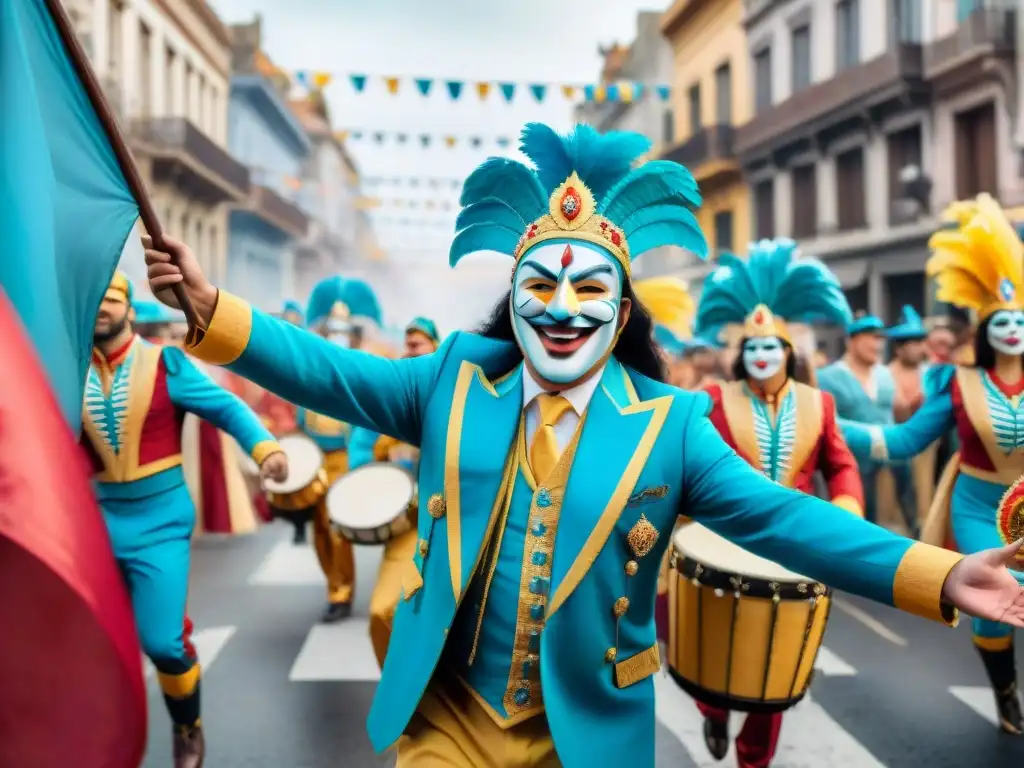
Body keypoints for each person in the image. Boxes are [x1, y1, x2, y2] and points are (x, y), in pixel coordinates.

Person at [144, 124, 1024, 768]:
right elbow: (328, 372)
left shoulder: (670, 423)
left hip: (583, 733)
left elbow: (780, 518)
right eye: (542, 285)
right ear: (514, 297)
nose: (563, 309)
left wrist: (940, 573)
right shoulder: (452, 379)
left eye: (590, 288)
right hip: (448, 715)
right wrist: (211, 308)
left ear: (622, 310)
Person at [79, 272, 288, 767]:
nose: (102, 309)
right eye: (96, 300)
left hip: (159, 522)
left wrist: (266, 450)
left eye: (112, 299)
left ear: (129, 308)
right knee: (87, 640)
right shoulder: (68, 367)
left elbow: (226, 408)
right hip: (95, 519)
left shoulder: (164, 362)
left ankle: (186, 724)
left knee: (164, 642)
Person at [838, 194, 1024, 735]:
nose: (1012, 327)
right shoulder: (956, 383)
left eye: (1020, 317)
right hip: (978, 506)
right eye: (1001, 319)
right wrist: (827, 421)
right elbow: (902, 442)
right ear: (984, 328)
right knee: (997, 597)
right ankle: (1006, 692)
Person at [688, 239, 864, 768]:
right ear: (740, 355)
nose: (762, 357)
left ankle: (752, 758)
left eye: (772, 348)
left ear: (790, 353)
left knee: (778, 660)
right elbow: (692, 459)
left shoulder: (820, 403)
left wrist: (848, 507)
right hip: (726, 538)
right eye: (752, 349)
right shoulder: (716, 399)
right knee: (712, 644)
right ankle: (712, 710)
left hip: (797, 542)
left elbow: (841, 464)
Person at [349, 317, 442, 668]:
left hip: (459, 526)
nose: (410, 351)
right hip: (406, 526)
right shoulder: (393, 392)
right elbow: (361, 445)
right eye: (408, 344)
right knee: (382, 612)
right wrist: (371, 481)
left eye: (418, 344)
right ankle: (398, 698)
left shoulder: (459, 392)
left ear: (436, 346)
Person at [297, 275, 384, 622]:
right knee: (319, 531)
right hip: (314, 460)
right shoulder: (309, 368)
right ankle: (334, 583)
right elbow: (298, 415)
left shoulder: (362, 370)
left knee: (336, 531)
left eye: (343, 330)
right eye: (330, 329)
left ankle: (340, 593)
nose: (336, 336)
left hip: (343, 459)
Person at [818, 313, 914, 529]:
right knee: (864, 520)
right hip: (856, 462)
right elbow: (826, 420)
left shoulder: (885, 374)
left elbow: (898, 409)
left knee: (908, 513)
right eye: (870, 337)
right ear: (851, 341)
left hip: (893, 460)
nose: (877, 343)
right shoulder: (828, 376)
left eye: (880, 338)